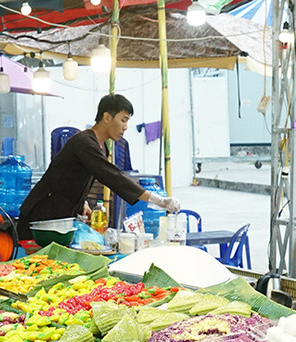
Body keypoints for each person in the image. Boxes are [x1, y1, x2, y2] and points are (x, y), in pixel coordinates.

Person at [18, 94, 179, 236]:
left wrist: (83, 203)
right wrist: (157, 199)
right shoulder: (84, 142)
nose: (125, 127)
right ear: (107, 117)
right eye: (123, 120)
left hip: (60, 217)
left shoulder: (101, 146)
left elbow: (73, 176)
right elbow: (113, 176)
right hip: (41, 215)